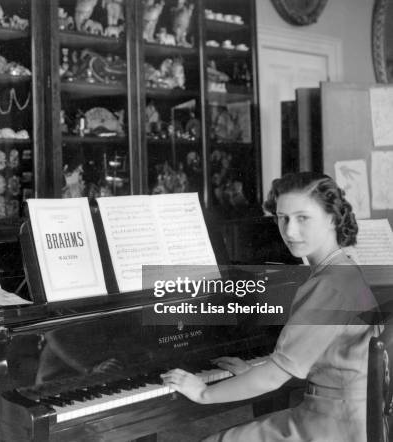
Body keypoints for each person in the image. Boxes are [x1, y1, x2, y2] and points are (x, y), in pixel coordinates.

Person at [161, 172, 381, 442]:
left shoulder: (329, 285)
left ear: (332, 218)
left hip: (334, 425)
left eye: (303, 218)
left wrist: (202, 393)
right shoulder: (342, 268)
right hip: (354, 416)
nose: (289, 231)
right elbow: (313, 357)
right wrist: (256, 371)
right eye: (282, 217)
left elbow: (274, 378)